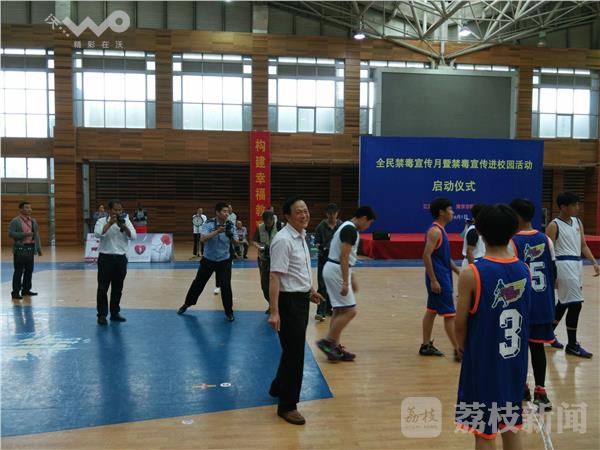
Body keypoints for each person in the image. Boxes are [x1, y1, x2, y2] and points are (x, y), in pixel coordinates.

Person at [455, 204, 531, 449]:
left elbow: (460, 324)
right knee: (510, 426)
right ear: (513, 232)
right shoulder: (524, 270)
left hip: (484, 363)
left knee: (484, 432)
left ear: (479, 232)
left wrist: (461, 348)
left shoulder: (472, 273)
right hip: (515, 361)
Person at [268, 195, 324, 425]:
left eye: (306, 210)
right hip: (288, 302)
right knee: (295, 355)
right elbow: (275, 276)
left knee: (292, 350)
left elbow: (298, 270)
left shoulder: (301, 236)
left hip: (300, 299)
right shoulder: (283, 240)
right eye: (299, 211)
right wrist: (274, 312)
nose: (304, 215)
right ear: (287, 216)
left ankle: (277, 387)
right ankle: (287, 406)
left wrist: (310, 290)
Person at [510, 198, 556, 410]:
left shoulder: (512, 242)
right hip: (543, 303)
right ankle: (541, 391)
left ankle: (522, 387)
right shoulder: (546, 239)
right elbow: (554, 272)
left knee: (519, 349)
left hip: (522, 305)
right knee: (537, 348)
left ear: (516, 216)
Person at [316, 206, 376, 361]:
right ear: (364, 218)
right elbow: (343, 256)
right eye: (369, 223)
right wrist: (345, 282)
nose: (368, 226)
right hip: (336, 270)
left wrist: (351, 276)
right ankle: (328, 342)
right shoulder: (350, 230)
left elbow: (345, 257)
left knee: (339, 311)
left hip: (333, 269)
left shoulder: (346, 226)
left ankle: (334, 347)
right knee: (350, 311)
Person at [545, 192, 599, 357]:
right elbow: (549, 252)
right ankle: (572, 344)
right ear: (563, 207)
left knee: (564, 303)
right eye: (574, 205)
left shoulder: (578, 222)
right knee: (575, 304)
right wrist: (552, 275)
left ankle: (547, 333)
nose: (577, 207)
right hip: (563, 265)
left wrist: (594, 263)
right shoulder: (554, 225)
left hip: (576, 265)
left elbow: (583, 245)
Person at [177, 202, 239, 321]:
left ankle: (229, 312)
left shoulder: (231, 225)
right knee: (198, 283)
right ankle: (187, 304)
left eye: (228, 211)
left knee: (226, 285)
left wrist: (230, 236)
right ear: (217, 213)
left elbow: (236, 243)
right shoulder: (209, 223)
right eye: (224, 211)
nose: (227, 214)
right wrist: (217, 232)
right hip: (208, 259)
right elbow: (202, 239)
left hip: (224, 260)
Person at [420, 197, 461, 360]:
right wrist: (433, 280)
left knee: (431, 311)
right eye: (450, 209)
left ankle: (425, 345)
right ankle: (458, 351)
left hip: (442, 277)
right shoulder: (435, 231)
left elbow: (444, 258)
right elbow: (426, 256)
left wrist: (458, 271)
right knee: (450, 315)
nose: (453, 212)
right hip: (439, 280)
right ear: (441, 212)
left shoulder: (441, 231)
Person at [94, 199, 136, 325]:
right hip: (105, 258)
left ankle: (115, 313)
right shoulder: (101, 221)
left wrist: (123, 226)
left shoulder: (126, 221)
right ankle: (102, 314)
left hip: (120, 259)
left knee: (118, 288)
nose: (117, 212)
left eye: (120, 210)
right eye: (115, 210)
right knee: (103, 288)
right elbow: (97, 234)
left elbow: (133, 236)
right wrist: (110, 223)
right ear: (109, 210)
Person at [313, 203, 342, 321]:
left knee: (333, 285)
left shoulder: (341, 226)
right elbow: (316, 242)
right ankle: (320, 311)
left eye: (334, 214)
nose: (332, 216)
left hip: (336, 261)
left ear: (337, 213)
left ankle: (329, 308)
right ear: (326, 214)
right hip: (323, 259)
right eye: (329, 214)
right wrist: (322, 248)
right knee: (322, 285)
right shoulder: (321, 227)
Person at [9, 201, 43, 300]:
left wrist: (38, 248)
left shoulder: (33, 221)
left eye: (30, 208)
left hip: (30, 247)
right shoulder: (15, 221)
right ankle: (15, 292)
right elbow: (11, 234)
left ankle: (26, 290)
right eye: (27, 208)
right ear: (21, 209)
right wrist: (24, 234)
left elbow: (36, 235)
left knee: (29, 270)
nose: (29, 210)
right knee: (19, 270)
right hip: (20, 248)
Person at [252, 211, 279, 313]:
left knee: (277, 284)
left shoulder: (280, 227)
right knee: (264, 285)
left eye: (270, 222)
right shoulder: (260, 227)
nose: (268, 224)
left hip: (277, 260)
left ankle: (276, 306)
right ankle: (271, 304)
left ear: (273, 220)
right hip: (264, 260)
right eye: (266, 223)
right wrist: (259, 246)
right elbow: (254, 241)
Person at [461, 203, 486, 268]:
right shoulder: (473, 231)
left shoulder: (478, 229)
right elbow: (469, 252)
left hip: (478, 262)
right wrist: (473, 268)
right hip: (472, 263)